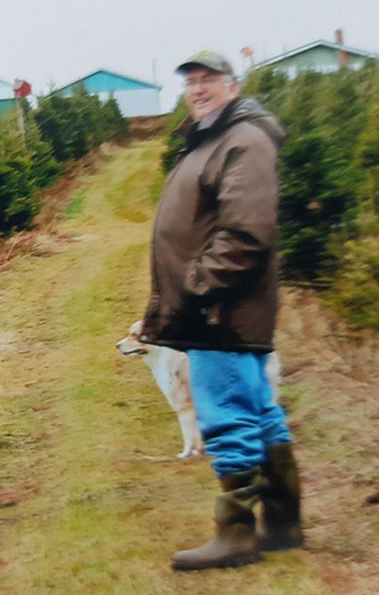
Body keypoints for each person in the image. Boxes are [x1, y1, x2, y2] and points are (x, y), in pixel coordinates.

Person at [138, 51, 303, 570]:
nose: (198, 88)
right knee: (259, 409)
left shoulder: (244, 141)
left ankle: (236, 534)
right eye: (190, 81)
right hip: (221, 310)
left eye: (208, 80)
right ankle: (283, 523)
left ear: (233, 86)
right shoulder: (213, 138)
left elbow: (246, 232)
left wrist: (196, 286)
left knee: (227, 415)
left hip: (221, 312)